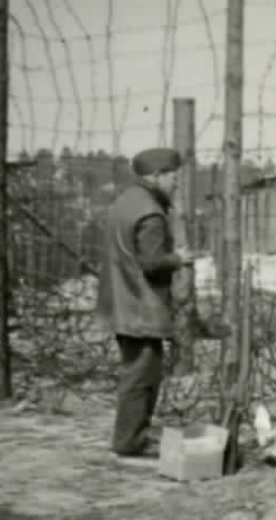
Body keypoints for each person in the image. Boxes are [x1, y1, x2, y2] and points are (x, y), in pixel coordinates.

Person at [96, 147, 195, 458]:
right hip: (141, 305)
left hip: (121, 300)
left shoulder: (125, 201)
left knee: (138, 371)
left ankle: (132, 436)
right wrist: (179, 259)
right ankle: (129, 441)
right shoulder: (151, 213)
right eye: (173, 177)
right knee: (142, 375)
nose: (176, 183)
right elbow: (151, 262)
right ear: (155, 176)